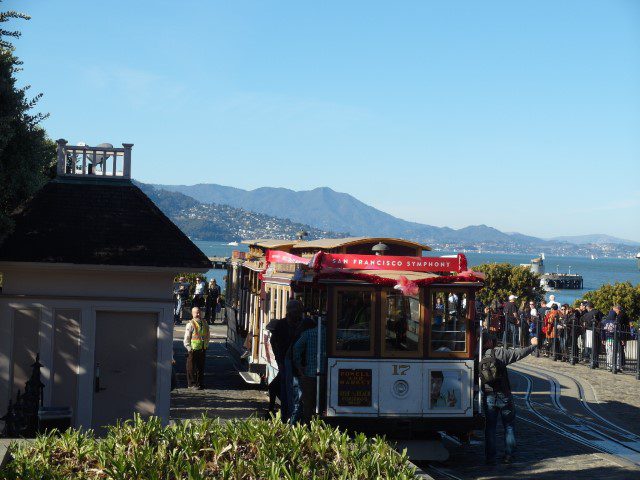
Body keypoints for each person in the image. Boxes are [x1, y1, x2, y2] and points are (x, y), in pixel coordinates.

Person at [480, 331, 538, 465]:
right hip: (504, 394)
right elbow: (518, 353)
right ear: (489, 342)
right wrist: (532, 346)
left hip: (489, 395)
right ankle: (509, 455)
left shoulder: (478, 355)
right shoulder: (500, 353)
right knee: (509, 427)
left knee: (490, 428)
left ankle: (490, 457)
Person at [269, 299, 303, 421]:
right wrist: (279, 359)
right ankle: (287, 415)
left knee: (295, 390)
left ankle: (292, 415)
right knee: (287, 389)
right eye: (297, 311)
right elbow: (273, 342)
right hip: (286, 361)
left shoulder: (300, 324)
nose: (298, 314)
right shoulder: (282, 325)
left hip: (297, 363)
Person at [293, 317, 326, 423]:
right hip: (326, 374)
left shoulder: (308, 333)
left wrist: (300, 367)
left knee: (308, 403)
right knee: (323, 402)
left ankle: (307, 424)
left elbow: (296, 349)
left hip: (310, 374)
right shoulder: (330, 333)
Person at [183, 307, 209, 389]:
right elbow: (187, 338)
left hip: (202, 348)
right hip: (193, 350)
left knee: (200, 368)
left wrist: (206, 345)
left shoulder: (204, 323)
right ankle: (191, 384)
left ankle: (199, 383)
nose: (198, 314)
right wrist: (189, 348)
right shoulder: (190, 324)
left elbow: (207, 335)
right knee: (191, 368)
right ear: (192, 314)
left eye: (199, 312)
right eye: (196, 313)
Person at [581, 301, 603, 366]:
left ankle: (593, 362)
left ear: (588, 307)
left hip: (590, 331)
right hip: (597, 331)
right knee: (596, 347)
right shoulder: (598, 312)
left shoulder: (587, 314)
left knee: (592, 347)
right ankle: (596, 362)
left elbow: (582, 320)